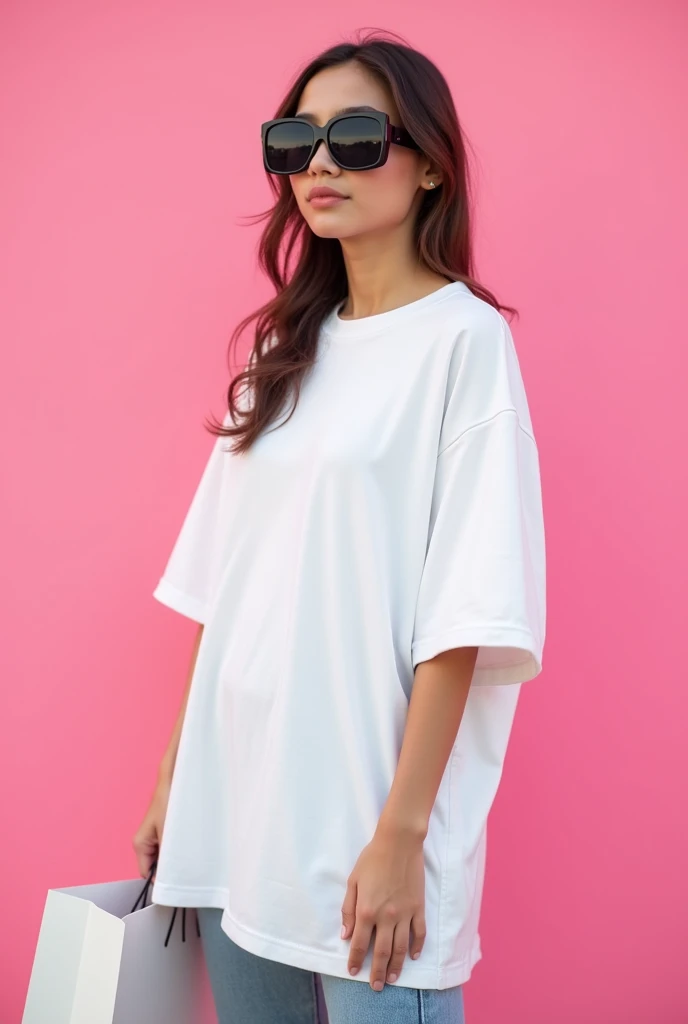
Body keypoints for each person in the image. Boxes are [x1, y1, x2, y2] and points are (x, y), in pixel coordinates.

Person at [132, 30, 547, 1024]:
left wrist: (402, 834)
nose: (320, 164)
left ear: (431, 163)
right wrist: (173, 779)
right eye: (296, 140)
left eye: (358, 136)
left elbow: (466, 611)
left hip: (366, 833)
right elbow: (220, 590)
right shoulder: (283, 348)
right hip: (235, 818)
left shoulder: (464, 344)